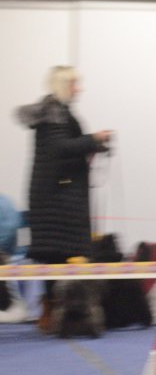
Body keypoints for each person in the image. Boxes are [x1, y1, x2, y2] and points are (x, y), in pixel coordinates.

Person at [16, 66, 113, 332]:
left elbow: (66, 146)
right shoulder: (54, 113)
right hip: (57, 200)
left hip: (59, 197)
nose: (78, 89)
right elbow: (60, 148)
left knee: (56, 258)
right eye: (74, 84)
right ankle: (59, 313)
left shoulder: (56, 112)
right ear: (63, 84)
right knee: (62, 257)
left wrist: (93, 144)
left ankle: (55, 312)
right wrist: (93, 140)